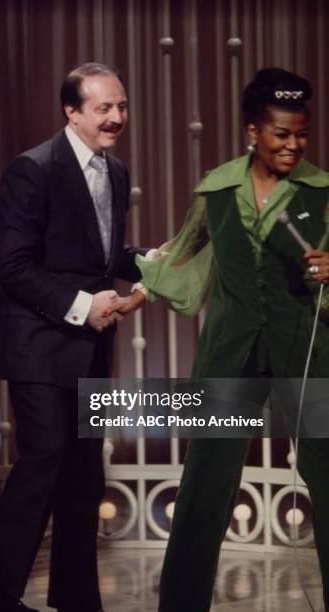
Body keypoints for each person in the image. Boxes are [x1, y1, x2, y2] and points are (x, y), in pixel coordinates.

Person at [106, 68, 329, 611]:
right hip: (230, 353)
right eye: (281, 133)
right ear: (253, 131)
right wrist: (140, 292)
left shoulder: (321, 191)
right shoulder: (217, 188)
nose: (293, 145)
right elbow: (184, 252)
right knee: (205, 483)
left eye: (301, 133)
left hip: (308, 353)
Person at [0, 63, 145, 612]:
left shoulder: (115, 172)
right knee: (45, 459)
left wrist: (149, 265)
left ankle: (76, 597)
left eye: (122, 106)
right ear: (71, 110)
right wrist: (82, 305)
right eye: (103, 108)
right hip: (37, 344)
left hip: (88, 348)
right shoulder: (32, 169)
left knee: (85, 473)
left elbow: (102, 258)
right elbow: (12, 266)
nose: (117, 118)